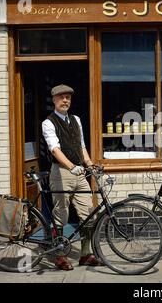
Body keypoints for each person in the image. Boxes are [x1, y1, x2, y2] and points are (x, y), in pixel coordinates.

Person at [42, 84, 104, 271]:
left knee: (89, 213)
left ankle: (85, 254)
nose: (65, 100)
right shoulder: (48, 122)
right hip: (61, 172)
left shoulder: (76, 119)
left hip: (79, 172)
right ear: (54, 100)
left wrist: (89, 164)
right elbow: (54, 149)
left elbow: (81, 146)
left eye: (68, 97)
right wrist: (71, 166)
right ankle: (59, 256)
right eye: (61, 97)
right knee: (61, 214)